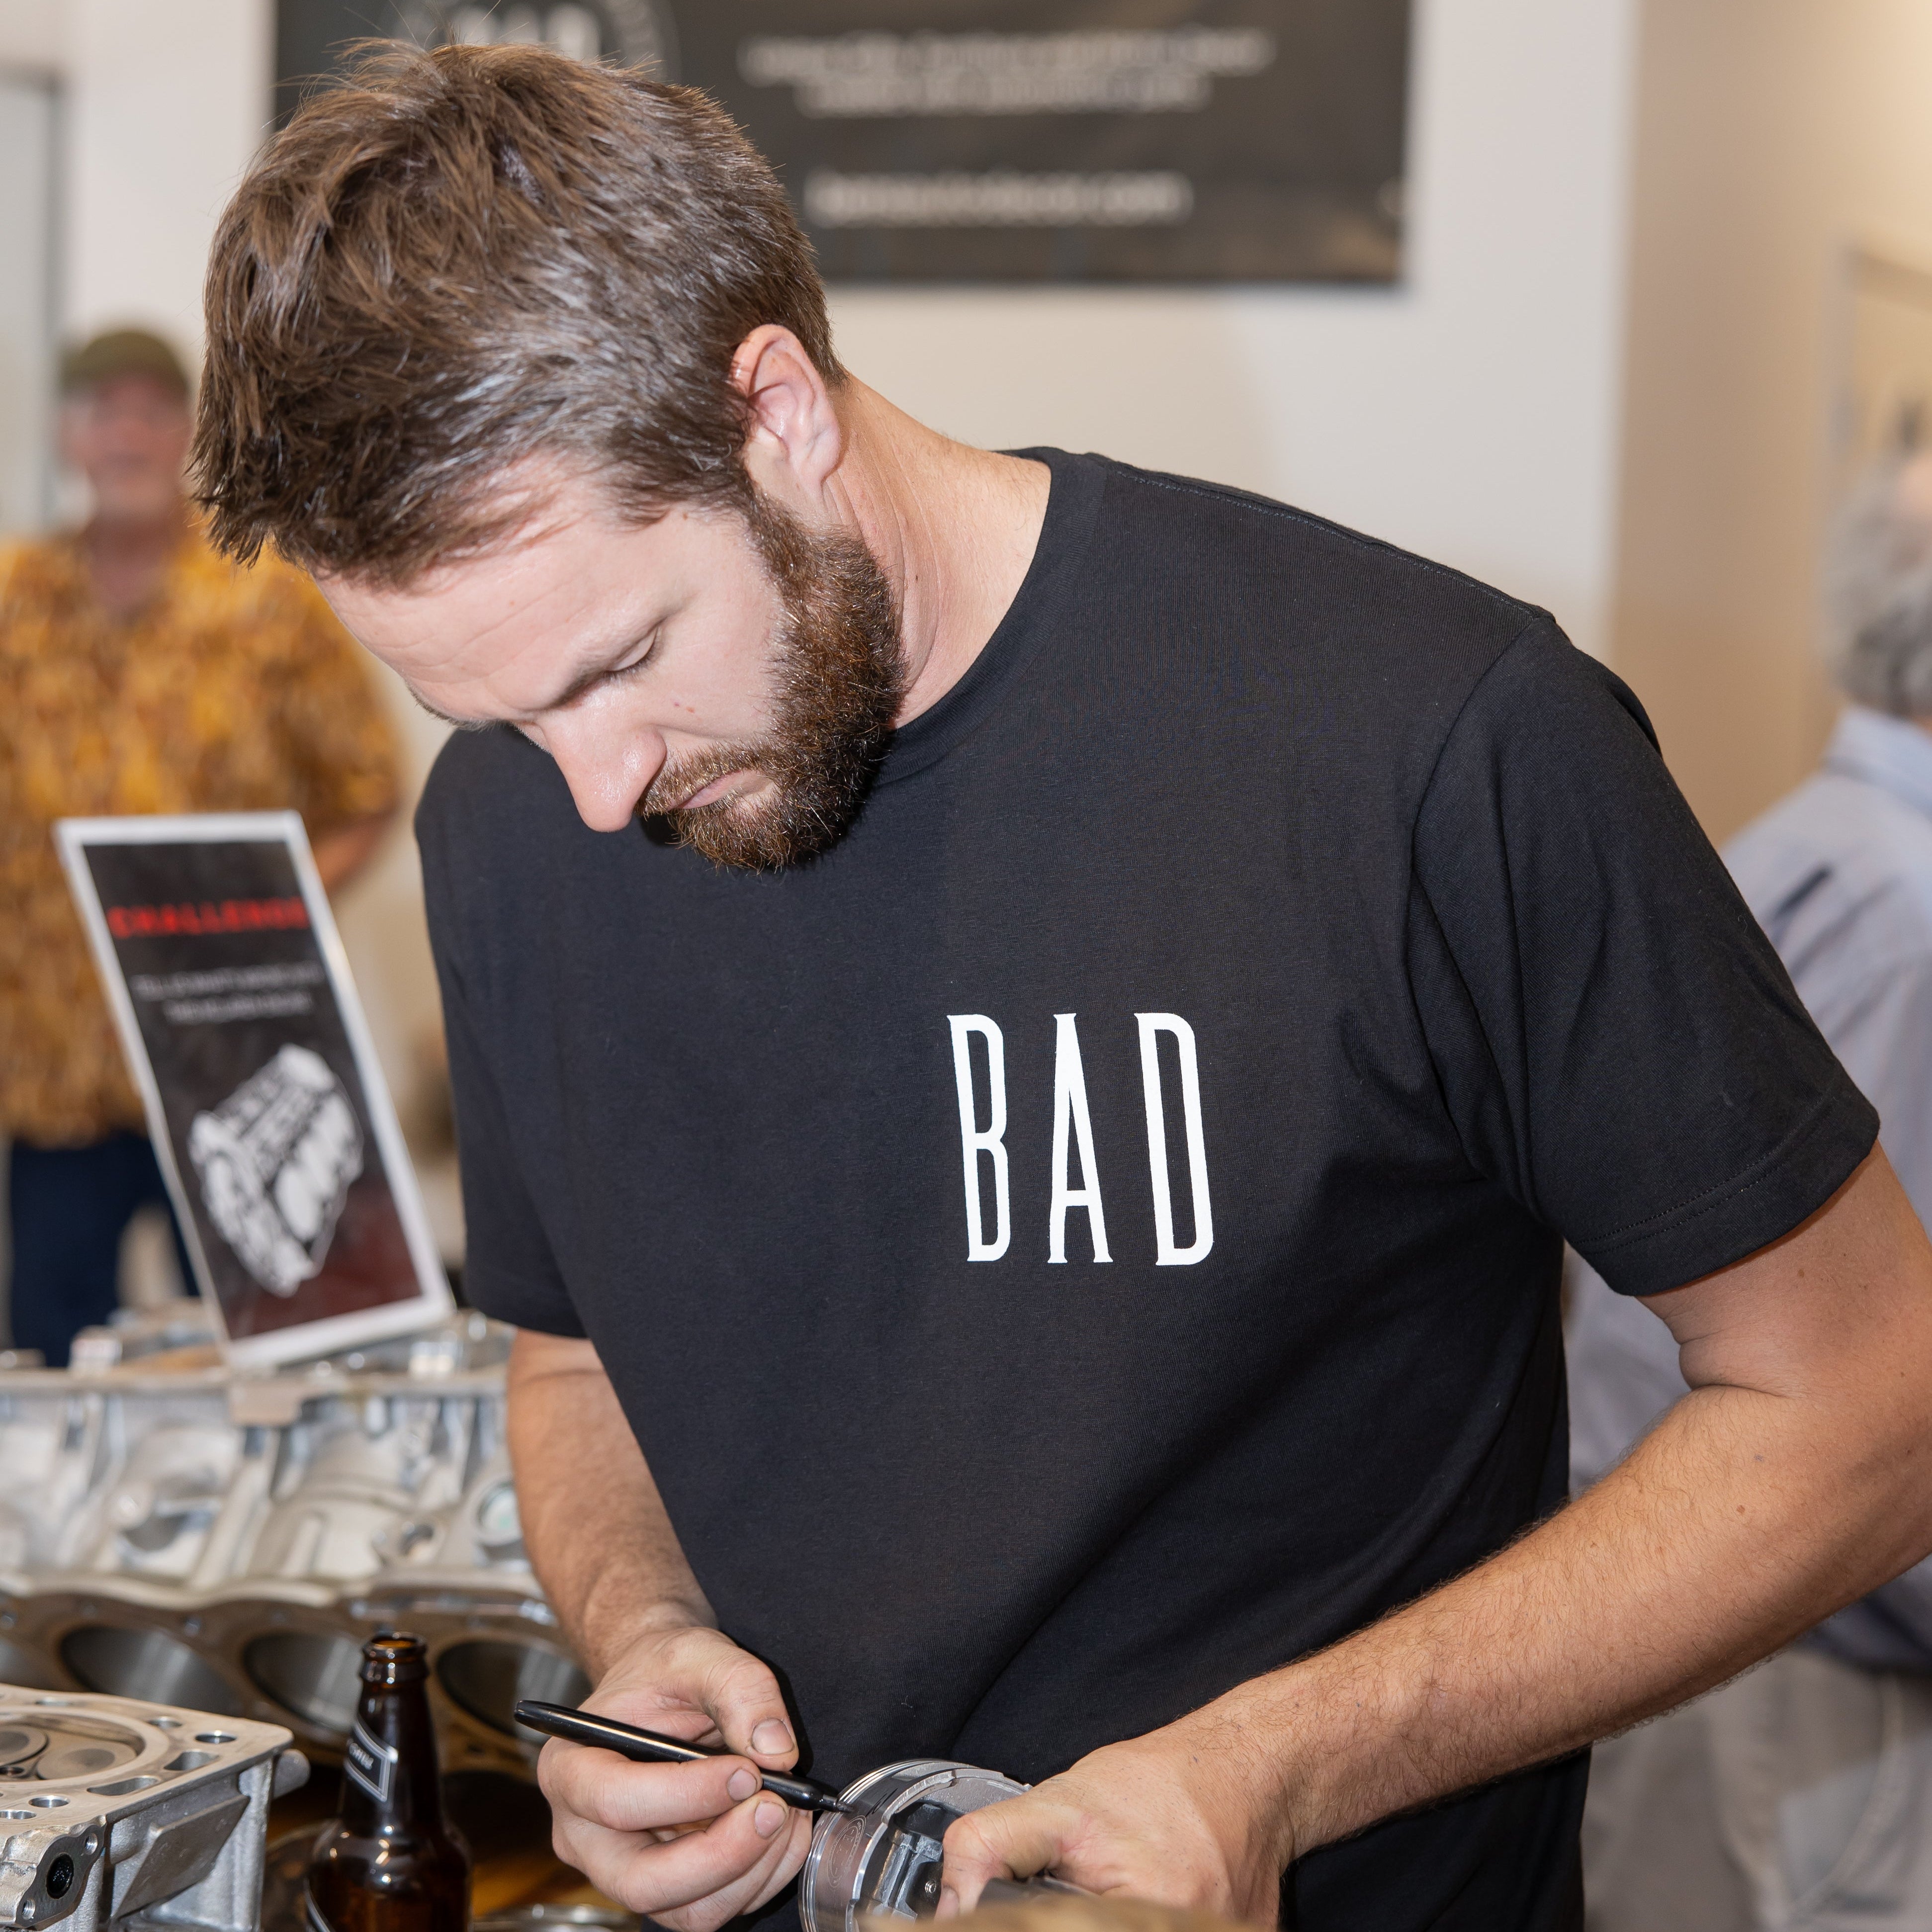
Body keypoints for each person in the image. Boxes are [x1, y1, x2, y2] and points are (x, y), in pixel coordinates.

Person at [190, 45, 1932, 1932]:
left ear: (771, 406)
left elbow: (1864, 1405)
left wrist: (1275, 1766)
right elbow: (579, 1346)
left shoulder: (1420, 742)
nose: (592, 791)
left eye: (619, 660)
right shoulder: (512, 820)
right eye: (497, 713)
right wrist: (646, 1625)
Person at [1574, 449, 1932, 1932]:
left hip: (1719, 1643)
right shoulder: (1904, 919)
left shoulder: (1804, 847)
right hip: (1796, 1690)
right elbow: (1855, 1370)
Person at [0, 327, 400, 1366]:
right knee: (53, 1357)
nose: (126, 433)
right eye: (102, 411)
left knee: (261, 1351)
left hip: (230, 1061)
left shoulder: (266, 592)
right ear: (67, 434)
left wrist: (262, 917)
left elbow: (366, 791)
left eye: (150, 409)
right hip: (53, 1067)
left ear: (187, 429)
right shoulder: (13, 597)